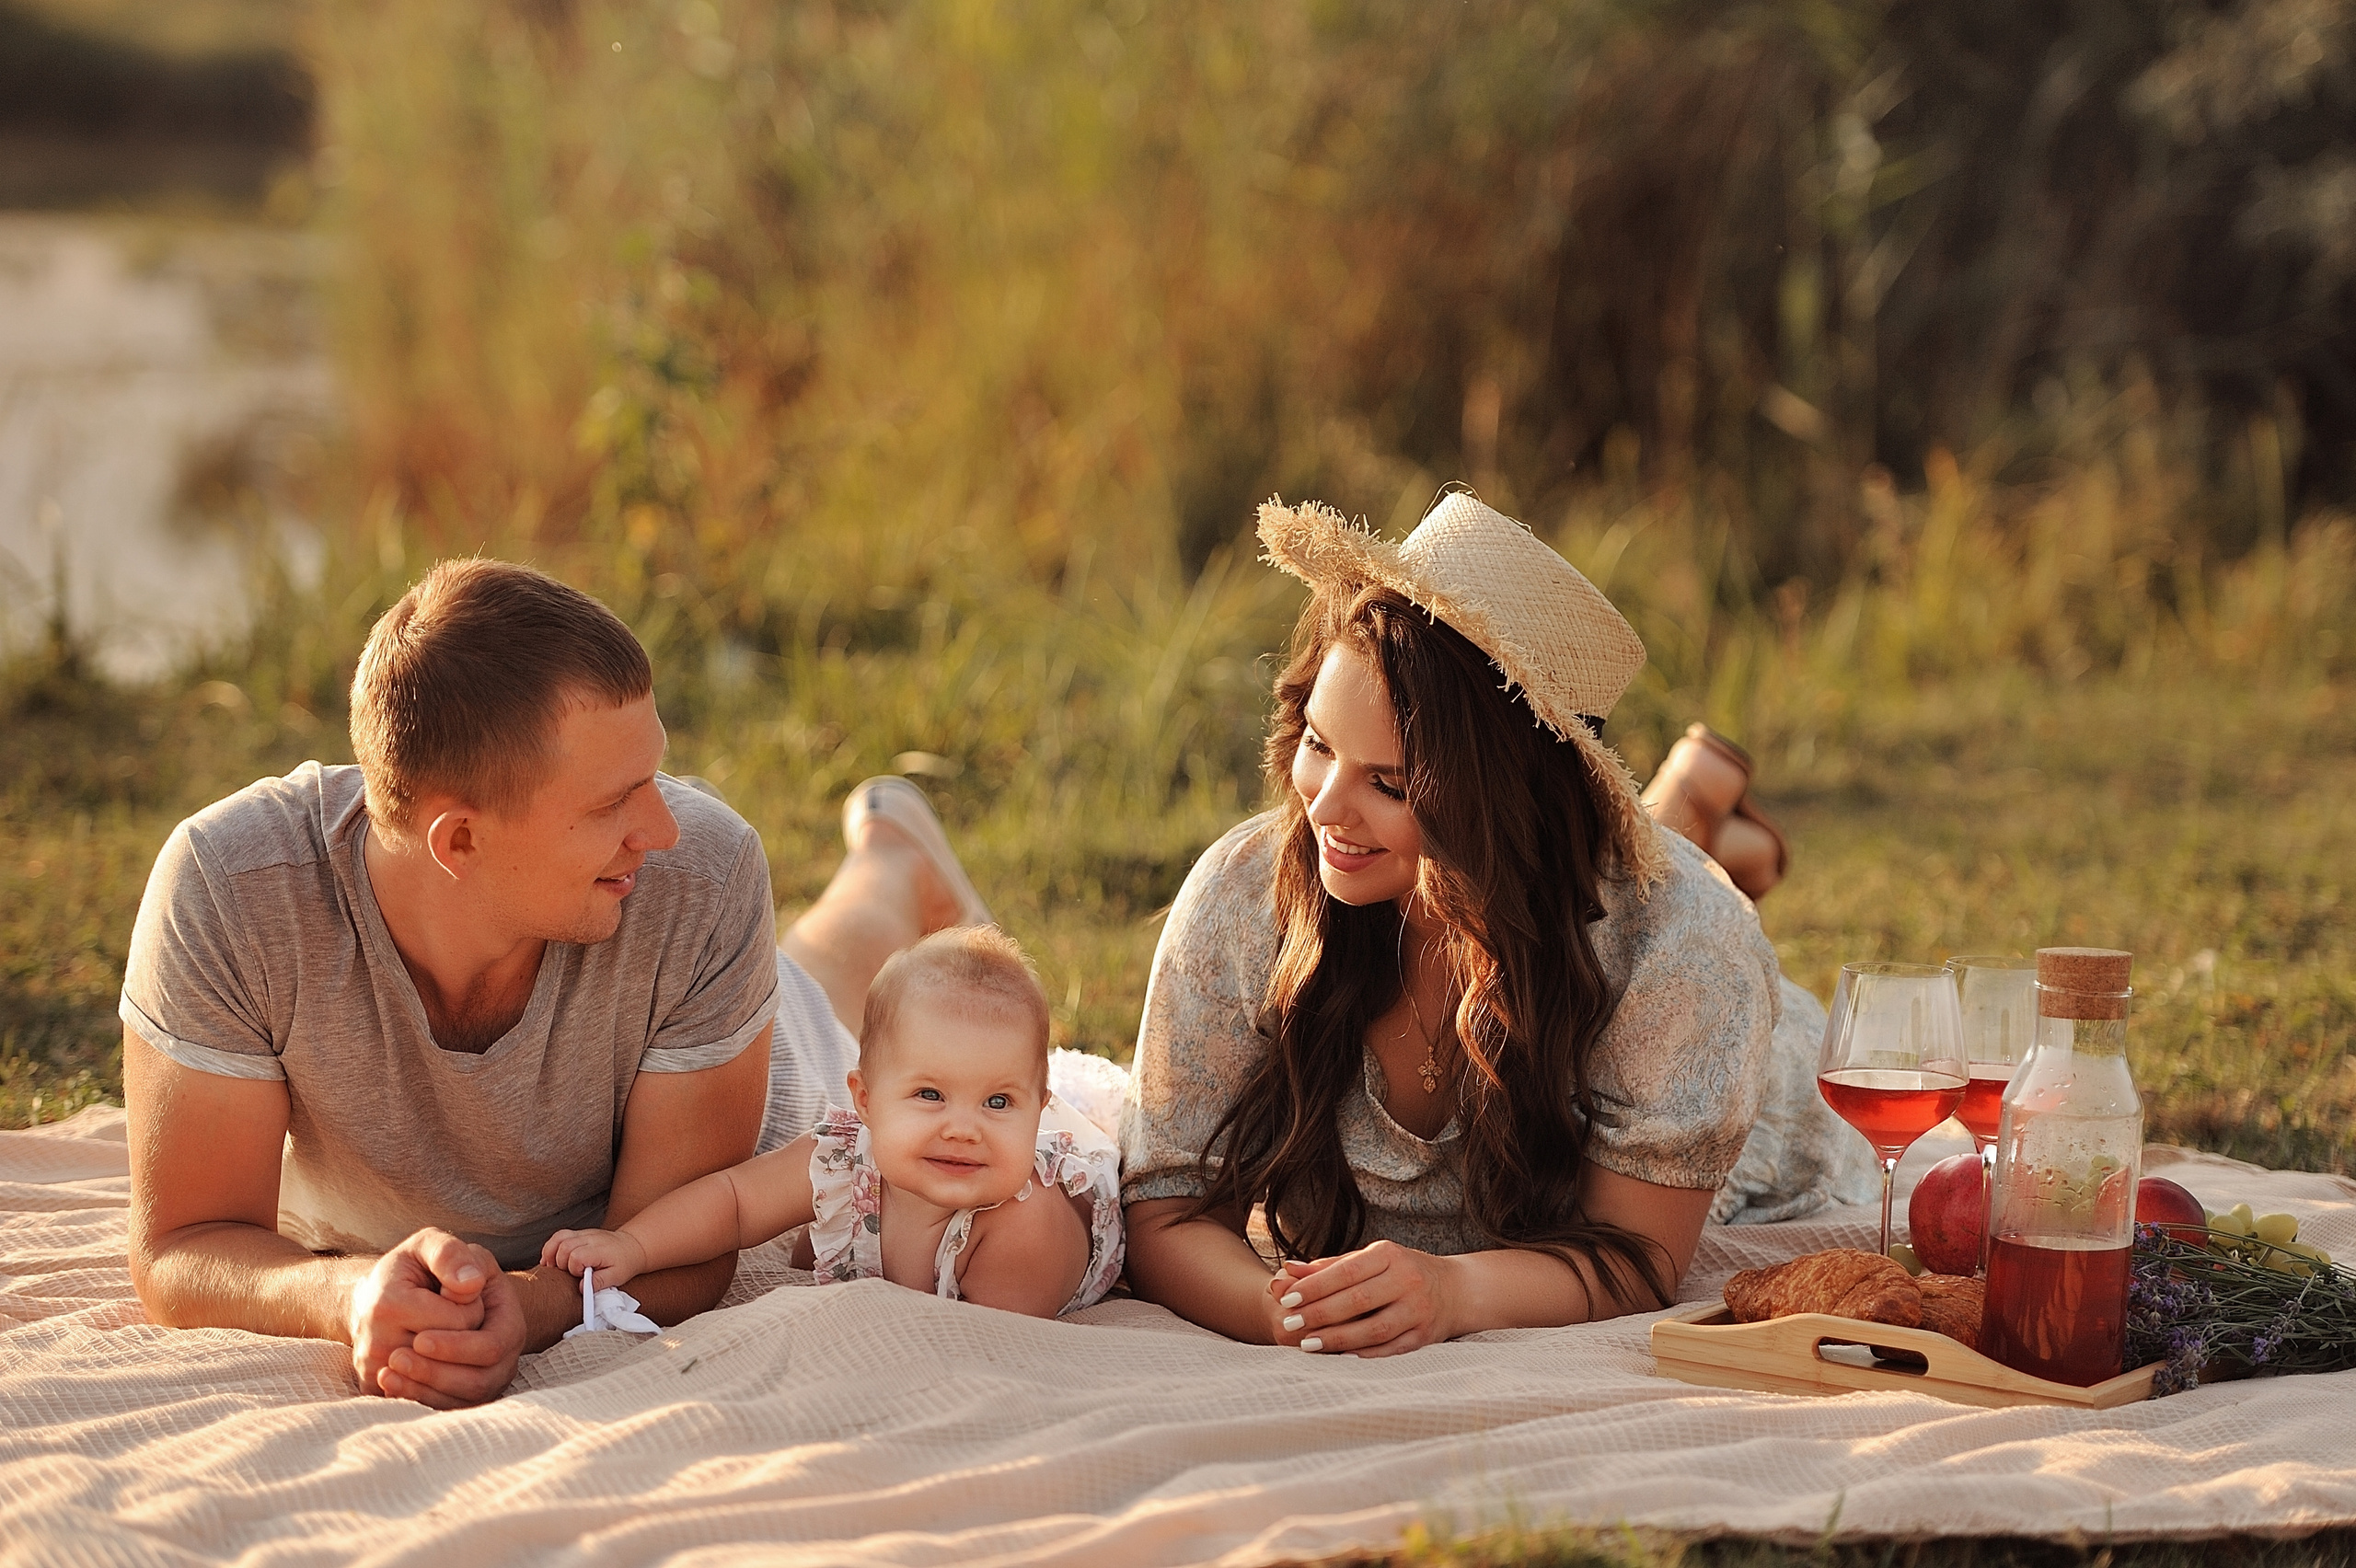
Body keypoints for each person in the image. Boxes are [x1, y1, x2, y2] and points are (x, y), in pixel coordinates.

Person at [120, 559, 986, 1408]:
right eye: (613, 803)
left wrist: (528, 1308)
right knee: (816, 958)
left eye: (655, 776)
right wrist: (347, 1298)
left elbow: (681, 1250)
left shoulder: (700, 874)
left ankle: (892, 864)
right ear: (458, 842)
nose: (663, 827)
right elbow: (184, 1248)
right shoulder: (233, 893)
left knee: (835, 988)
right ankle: (893, 861)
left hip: (774, 1074)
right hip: (642, 974)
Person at [1120, 490, 1874, 1355]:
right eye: (1320, 745)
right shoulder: (1246, 892)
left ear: (1503, 803)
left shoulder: (1687, 953)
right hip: (1543, 889)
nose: (1322, 807)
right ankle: (1693, 810)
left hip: (1741, 1082)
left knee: (1652, 906)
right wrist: (1284, 1317)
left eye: (1391, 785)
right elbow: (1167, 1209)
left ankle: (1695, 825)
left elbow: (1636, 1256)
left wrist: (1455, 1291)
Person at [541, 925, 1124, 1317]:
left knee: (1108, 1112)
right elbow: (734, 1200)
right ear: (864, 1102)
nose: (963, 1128)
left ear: (1037, 1110)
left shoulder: (1023, 1229)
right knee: (815, 1242)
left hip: (1079, 1163)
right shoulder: (847, 1157)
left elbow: (980, 1348)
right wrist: (633, 1246)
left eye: (998, 1103)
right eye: (929, 1094)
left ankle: (1057, 1093)